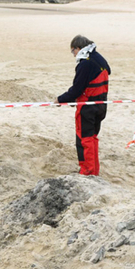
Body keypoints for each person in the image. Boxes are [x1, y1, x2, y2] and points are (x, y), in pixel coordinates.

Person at [57, 35, 110, 176]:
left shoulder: (85, 63)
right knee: (93, 138)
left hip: (88, 108)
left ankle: (87, 171)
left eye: (73, 51)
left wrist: (61, 99)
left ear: (78, 48)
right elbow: (100, 76)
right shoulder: (98, 57)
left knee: (84, 140)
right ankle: (94, 170)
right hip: (101, 105)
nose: (73, 54)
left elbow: (77, 88)